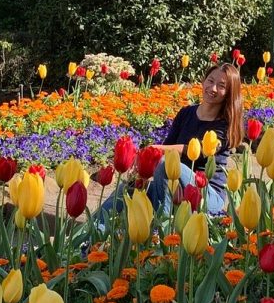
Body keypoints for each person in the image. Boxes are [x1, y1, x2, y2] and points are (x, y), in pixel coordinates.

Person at [101, 63, 243, 217]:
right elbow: (168, 146)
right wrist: (144, 167)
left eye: (221, 86)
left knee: (165, 163)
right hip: (175, 188)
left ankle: (163, 225)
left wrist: (152, 149)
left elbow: (197, 151)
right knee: (129, 187)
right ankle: (90, 232)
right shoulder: (186, 113)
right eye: (210, 81)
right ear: (204, 81)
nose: (213, 88)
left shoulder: (225, 125)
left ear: (229, 92)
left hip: (206, 195)